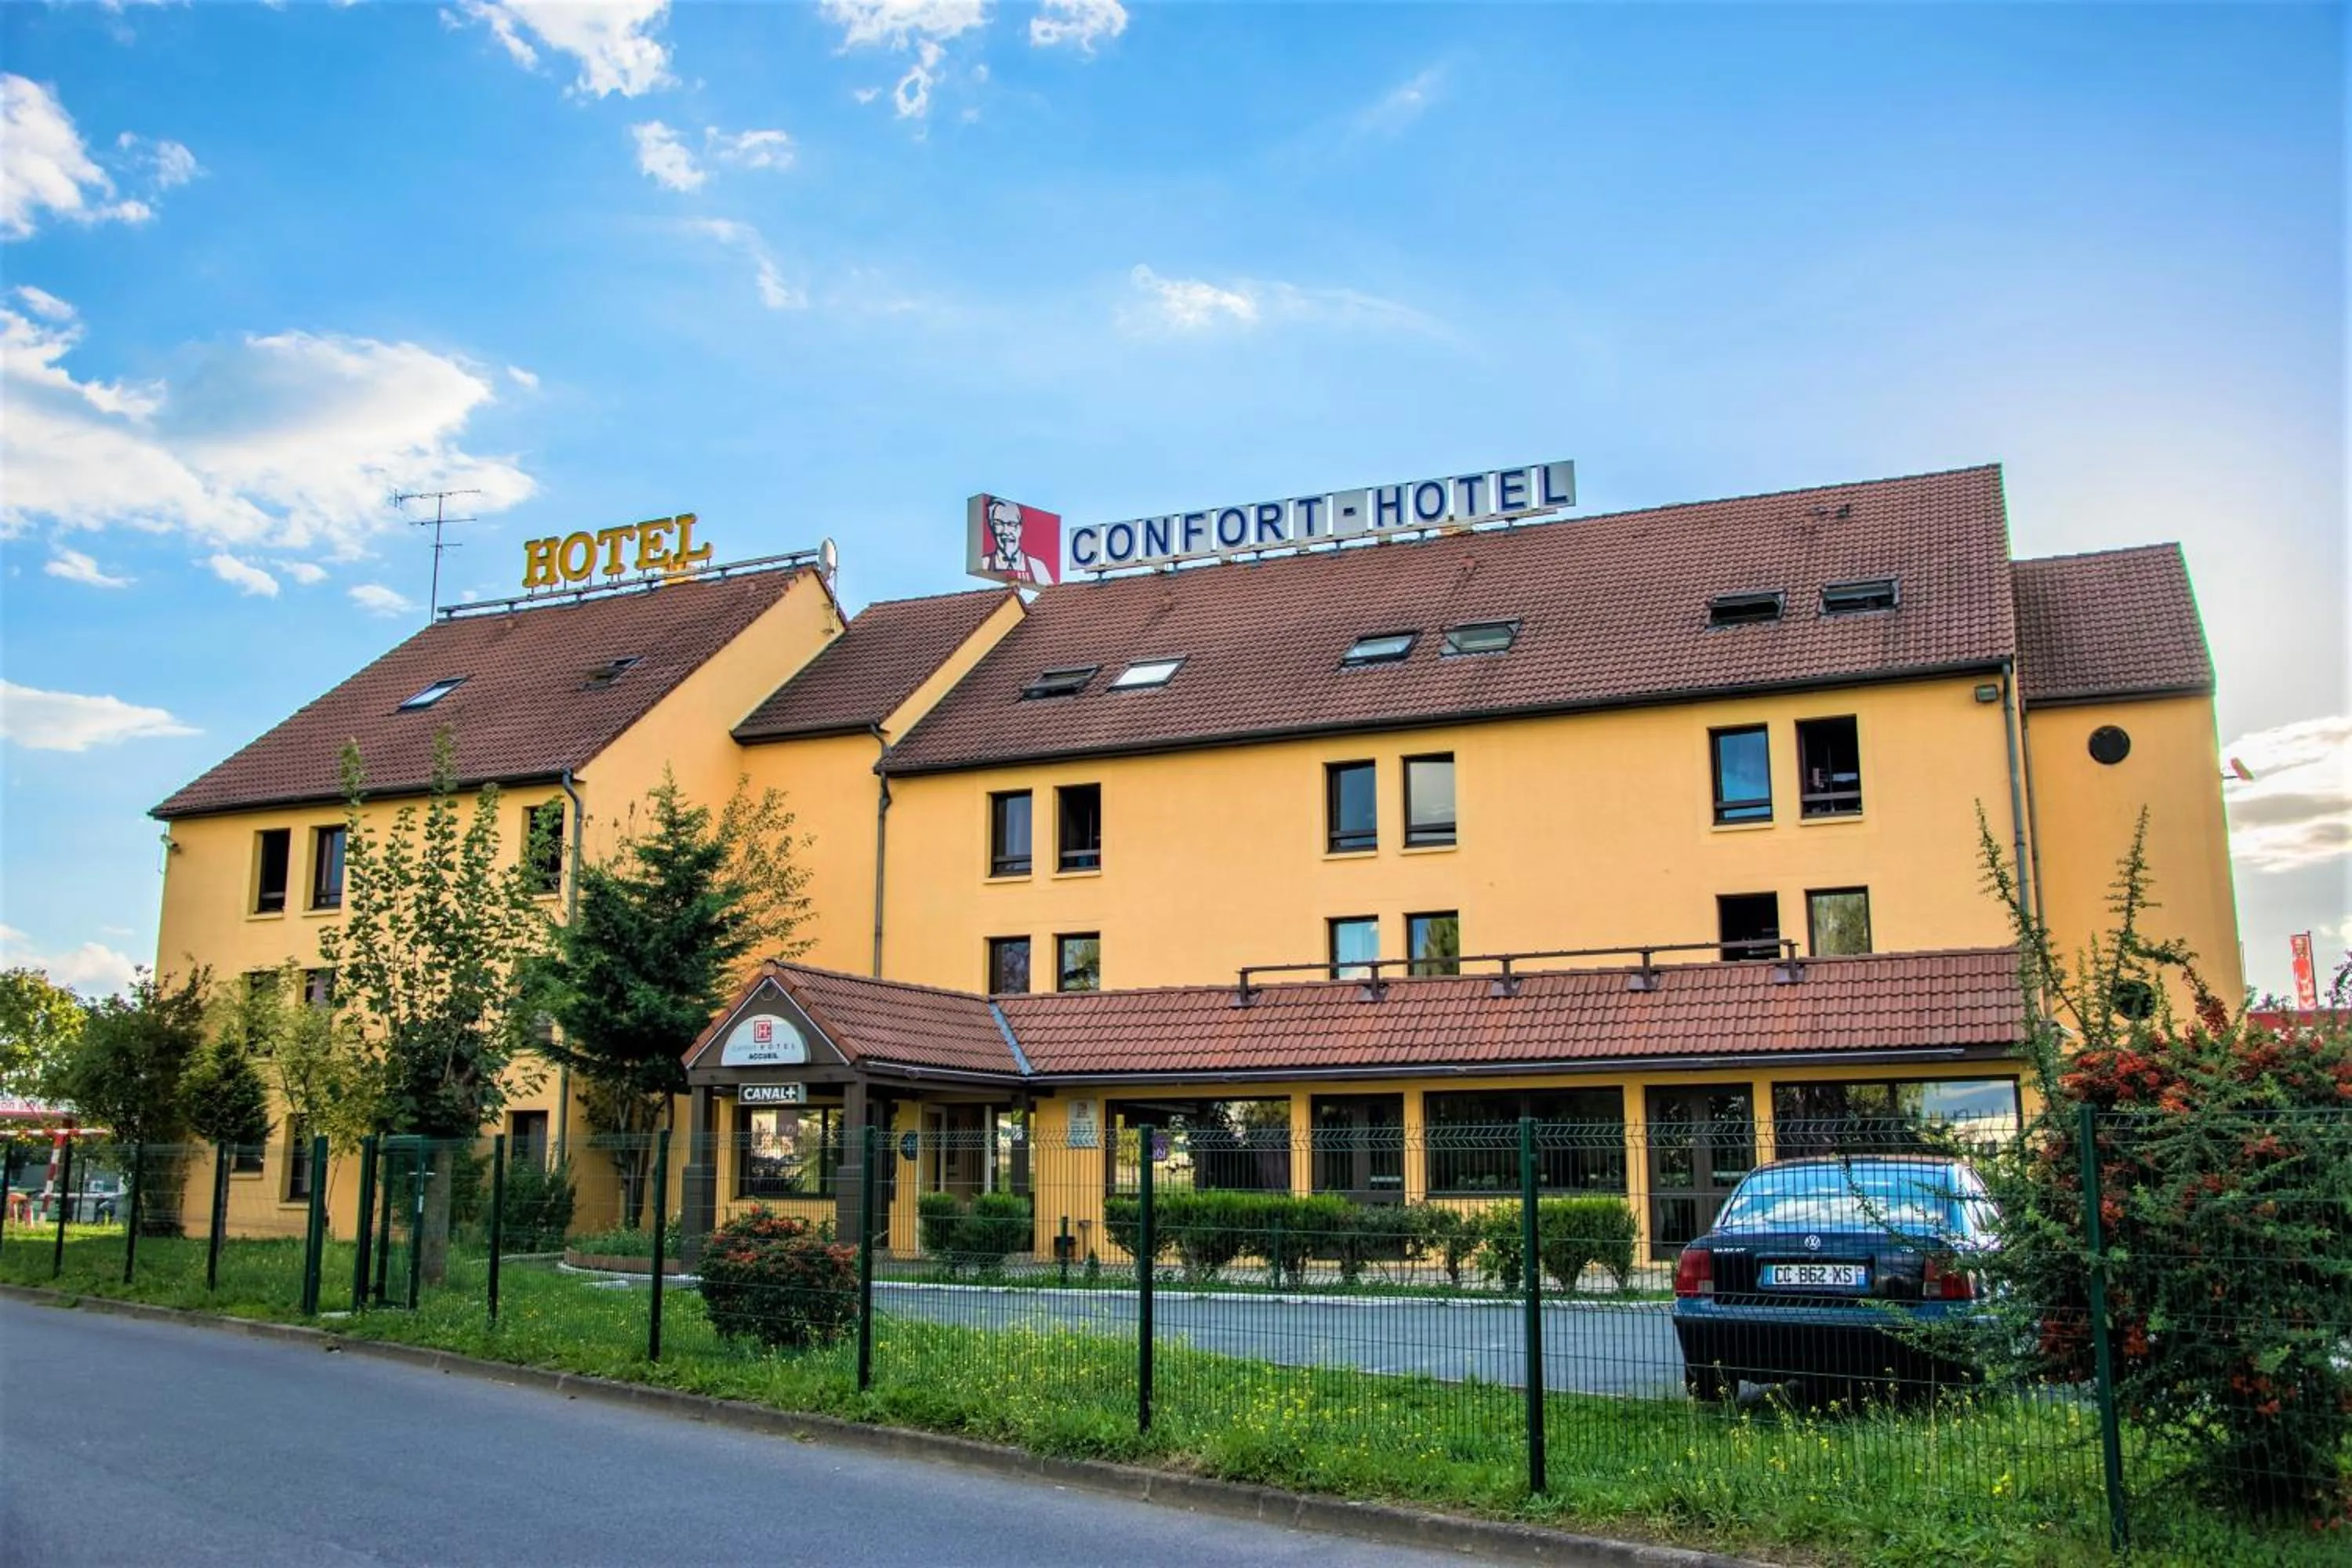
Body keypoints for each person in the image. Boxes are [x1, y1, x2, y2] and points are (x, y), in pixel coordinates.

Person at [982, 498, 1055, 586]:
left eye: (1011, 524)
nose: (1006, 531)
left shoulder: (1037, 567)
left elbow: (1052, 590)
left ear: (1020, 528)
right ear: (991, 527)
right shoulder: (984, 563)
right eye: (998, 523)